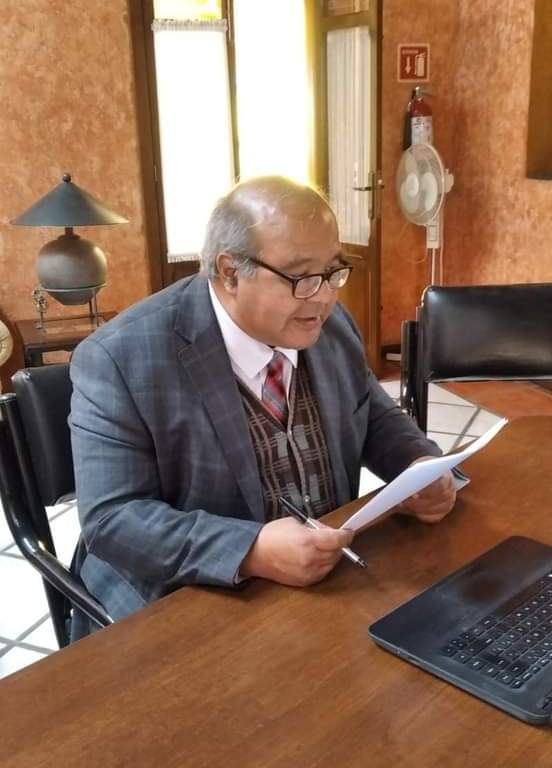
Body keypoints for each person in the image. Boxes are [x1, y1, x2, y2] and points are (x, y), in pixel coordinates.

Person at [69, 176, 455, 639]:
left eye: (333, 271)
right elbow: (112, 519)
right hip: (189, 598)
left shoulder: (328, 325)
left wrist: (416, 464)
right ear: (230, 272)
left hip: (325, 584)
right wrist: (250, 550)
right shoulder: (119, 358)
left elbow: (370, 411)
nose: (325, 296)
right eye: (300, 277)